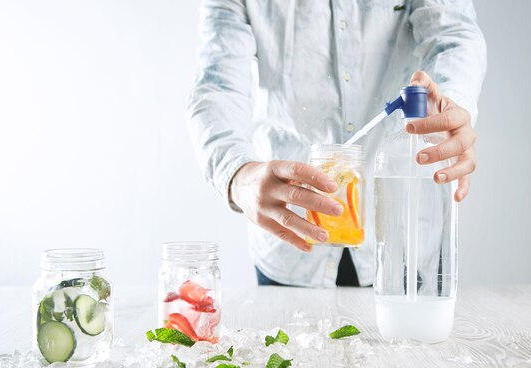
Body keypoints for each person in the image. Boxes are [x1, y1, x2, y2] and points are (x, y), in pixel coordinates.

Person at [187, 0, 486, 287]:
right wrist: (238, 175)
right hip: (290, 240)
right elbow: (217, 84)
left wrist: (451, 103)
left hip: (400, 236)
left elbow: (455, 35)